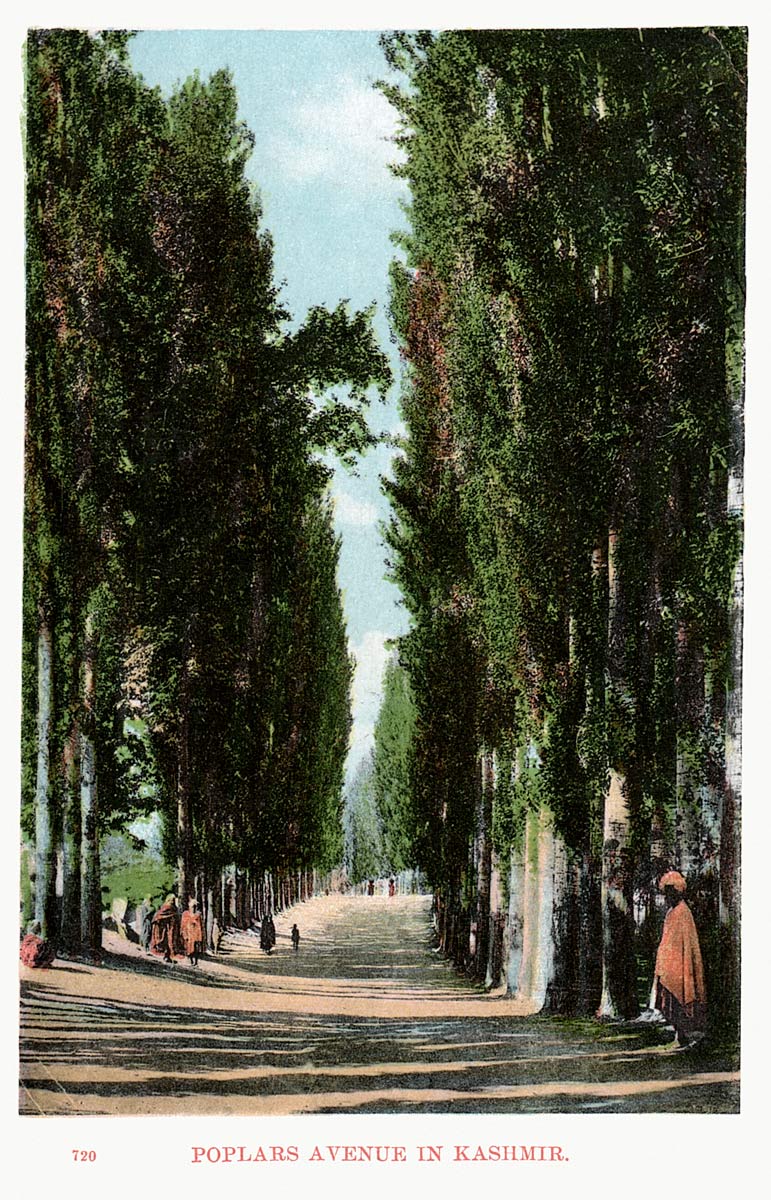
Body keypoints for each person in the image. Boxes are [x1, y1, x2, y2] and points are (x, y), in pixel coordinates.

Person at [653, 870, 706, 1048]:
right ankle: (679, 1035)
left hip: (681, 968)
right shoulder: (671, 913)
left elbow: (688, 944)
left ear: (678, 891)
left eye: (670, 891)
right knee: (670, 1004)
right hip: (670, 968)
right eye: (665, 892)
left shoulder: (684, 913)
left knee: (680, 1002)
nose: (668, 896)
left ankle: (683, 1036)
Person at [150, 893, 182, 963]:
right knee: (166, 942)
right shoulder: (167, 907)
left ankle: (168, 956)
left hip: (172, 928)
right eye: (172, 899)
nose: (173, 901)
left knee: (171, 942)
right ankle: (166, 956)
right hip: (165, 928)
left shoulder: (174, 907)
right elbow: (159, 915)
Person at [180, 897, 204, 966]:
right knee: (188, 947)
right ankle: (191, 961)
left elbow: (200, 925)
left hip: (195, 933)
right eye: (192, 906)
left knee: (196, 948)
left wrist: (200, 935)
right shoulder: (186, 914)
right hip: (188, 933)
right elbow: (183, 924)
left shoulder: (198, 915)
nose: (193, 908)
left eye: (194, 907)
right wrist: (184, 932)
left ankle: (195, 962)